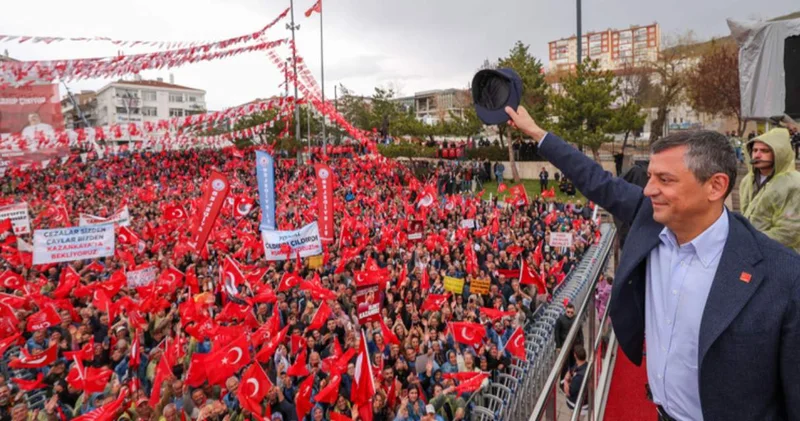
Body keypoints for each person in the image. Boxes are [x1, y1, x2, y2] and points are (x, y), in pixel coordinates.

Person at [506, 104, 800, 421]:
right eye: (649, 177)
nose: (648, 189)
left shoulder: (782, 276)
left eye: (665, 179)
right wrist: (537, 133)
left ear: (715, 186)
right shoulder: (649, 217)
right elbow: (594, 178)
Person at [739, 128, 800, 252]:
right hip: (752, 252)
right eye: (755, 150)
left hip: (783, 255)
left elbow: (790, 230)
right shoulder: (748, 180)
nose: (757, 155)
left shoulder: (794, 183)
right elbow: (745, 215)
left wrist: (752, 240)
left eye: (764, 151)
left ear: (779, 153)